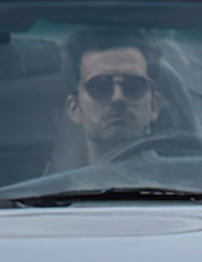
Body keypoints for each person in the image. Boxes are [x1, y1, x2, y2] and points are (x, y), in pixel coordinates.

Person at [63, 28, 171, 165]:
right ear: (74, 108)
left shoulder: (187, 181)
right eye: (101, 87)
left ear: (153, 106)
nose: (118, 98)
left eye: (133, 86)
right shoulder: (52, 186)